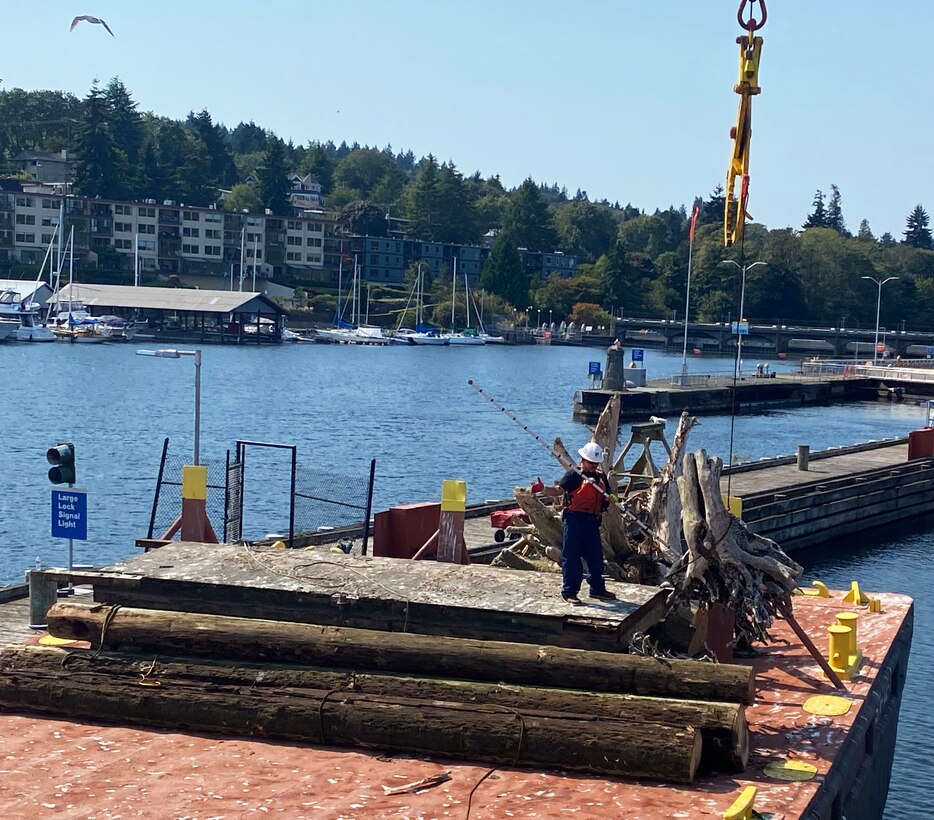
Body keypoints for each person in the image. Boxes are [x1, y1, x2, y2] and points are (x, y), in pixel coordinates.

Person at [539, 441, 617, 606]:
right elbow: (558, 490)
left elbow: (608, 495)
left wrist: (612, 499)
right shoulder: (574, 475)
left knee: (596, 557)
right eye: (590, 463)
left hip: (592, 521)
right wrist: (543, 489)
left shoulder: (601, 477)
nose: (593, 466)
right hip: (574, 519)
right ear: (582, 460)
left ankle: (597, 588)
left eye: (596, 464)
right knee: (572, 557)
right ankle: (569, 592)